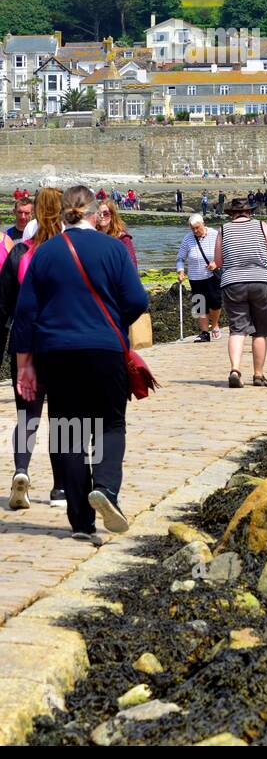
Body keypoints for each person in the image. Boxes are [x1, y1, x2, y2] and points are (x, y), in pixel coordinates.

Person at [11, 186, 149, 542]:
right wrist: (114, 323)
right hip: (104, 350)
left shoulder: (44, 253)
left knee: (67, 431)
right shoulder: (114, 248)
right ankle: (105, 487)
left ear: (61, 214)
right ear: (92, 212)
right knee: (109, 424)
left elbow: (25, 314)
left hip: (56, 353)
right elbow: (136, 299)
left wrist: (25, 364)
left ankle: (81, 521)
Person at [0, 188, 65, 511]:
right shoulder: (69, 252)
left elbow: (6, 304)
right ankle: (60, 487)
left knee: (27, 415)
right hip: (62, 343)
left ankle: (22, 469)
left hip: (24, 341)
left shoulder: (20, 252)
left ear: (35, 212)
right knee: (63, 416)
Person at [213, 197, 267, 388]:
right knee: (260, 330)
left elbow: (218, 261)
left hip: (233, 282)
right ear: (249, 212)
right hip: (260, 280)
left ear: (231, 214)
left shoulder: (223, 230)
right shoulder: (262, 226)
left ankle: (235, 369)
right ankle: (258, 375)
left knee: (237, 328)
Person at [176, 214, 222, 342]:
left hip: (212, 276)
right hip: (195, 277)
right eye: (192, 229)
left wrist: (216, 263)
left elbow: (224, 253)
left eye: (197, 228)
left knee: (215, 303)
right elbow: (180, 258)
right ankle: (204, 333)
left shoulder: (215, 234)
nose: (195, 231)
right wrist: (180, 271)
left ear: (203, 224)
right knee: (200, 305)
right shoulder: (188, 239)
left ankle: (214, 325)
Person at [94, 199, 137, 269]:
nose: (102, 216)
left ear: (112, 215)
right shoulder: (92, 236)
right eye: (98, 213)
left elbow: (132, 266)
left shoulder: (123, 238)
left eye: (106, 214)